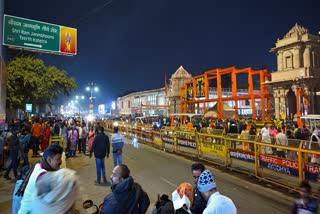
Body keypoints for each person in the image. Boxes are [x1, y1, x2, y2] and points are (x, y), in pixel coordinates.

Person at [17, 144, 63, 214]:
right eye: (58, 159)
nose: (61, 161)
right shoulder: (42, 175)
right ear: (49, 160)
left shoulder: (39, 165)